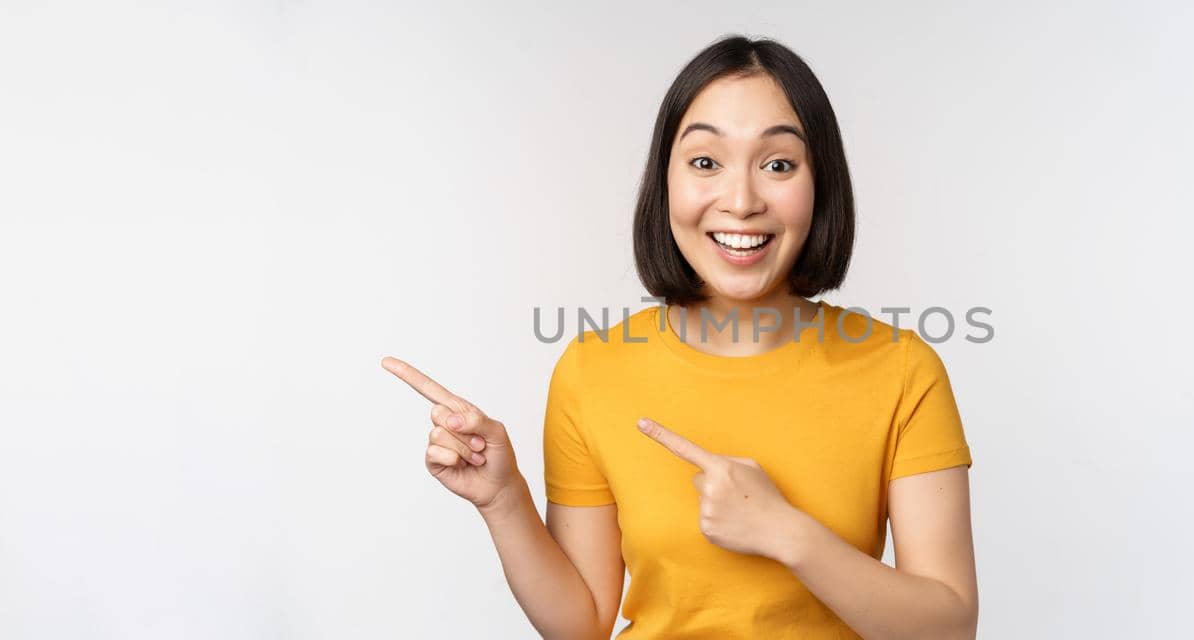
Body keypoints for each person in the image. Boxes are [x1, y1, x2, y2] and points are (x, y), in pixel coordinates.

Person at [382, 35, 977, 639]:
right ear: (664, 180)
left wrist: (786, 534)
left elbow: (949, 630)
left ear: (820, 182)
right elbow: (581, 624)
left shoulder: (901, 369)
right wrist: (504, 501)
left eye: (778, 164)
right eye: (705, 162)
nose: (742, 201)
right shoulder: (594, 370)